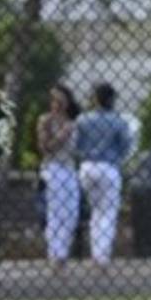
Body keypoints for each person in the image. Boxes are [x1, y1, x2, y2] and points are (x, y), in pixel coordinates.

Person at [75, 82, 131, 265]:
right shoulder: (118, 120)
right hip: (109, 167)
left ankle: (95, 253)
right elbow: (126, 146)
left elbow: (76, 145)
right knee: (107, 212)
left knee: (95, 211)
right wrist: (117, 158)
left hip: (87, 166)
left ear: (95, 98)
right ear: (112, 99)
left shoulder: (83, 119)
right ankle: (101, 256)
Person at [37, 84, 81, 269]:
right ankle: (56, 255)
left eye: (59, 100)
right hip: (53, 168)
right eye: (53, 100)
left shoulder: (73, 121)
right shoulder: (46, 120)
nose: (56, 104)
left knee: (71, 212)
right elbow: (44, 148)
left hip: (70, 168)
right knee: (56, 212)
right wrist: (62, 135)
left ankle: (62, 252)